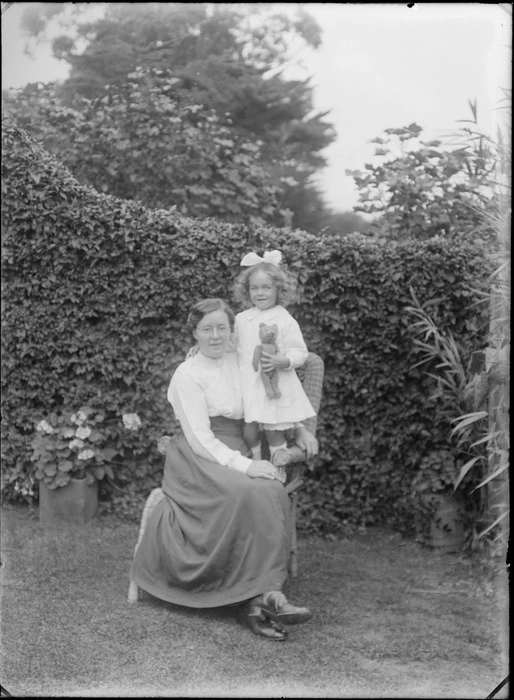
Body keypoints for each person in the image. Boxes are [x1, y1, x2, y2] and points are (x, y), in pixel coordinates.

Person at [130, 298, 318, 641]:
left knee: (270, 489)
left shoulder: (241, 362)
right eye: (207, 329)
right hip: (198, 457)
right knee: (249, 489)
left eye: (222, 328)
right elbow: (201, 439)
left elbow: (274, 401)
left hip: (241, 444)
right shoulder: (187, 374)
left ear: (231, 330)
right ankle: (257, 597)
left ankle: (263, 596)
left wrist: (300, 429)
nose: (216, 336)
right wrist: (247, 465)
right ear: (194, 333)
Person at [233, 250, 316, 480]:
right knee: (249, 431)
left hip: (274, 387)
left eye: (266, 287)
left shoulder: (285, 319)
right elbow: (233, 349)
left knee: (274, 432)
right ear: (246, 290)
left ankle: (277, 472)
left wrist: (284, 360)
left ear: (279, 289)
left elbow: (300, 352)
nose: (260, 293)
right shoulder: (241, 319)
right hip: (249, 385)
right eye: (254, 288)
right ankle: (256, 465)